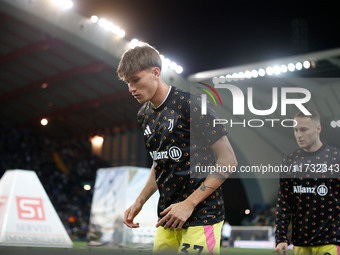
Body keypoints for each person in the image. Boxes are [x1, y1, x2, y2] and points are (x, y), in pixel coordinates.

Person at [117, 44, 238, 254]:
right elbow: (160, 163)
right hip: (167, 217)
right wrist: (139, 202)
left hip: (202, 216)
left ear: (156, 72)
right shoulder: (143, 115)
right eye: (128, 83)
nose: (131, 89)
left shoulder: (192, 105)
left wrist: (188, 204)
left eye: (135, 80)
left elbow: (228, 160)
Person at [275, 110, 340, 255]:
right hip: (300, 243)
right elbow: (283, 203)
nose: (298, 134)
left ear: (318, 128)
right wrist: (281, 238)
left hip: (330, 241)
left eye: (304, 129)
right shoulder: (289, 161)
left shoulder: (336, 158)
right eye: (295, 130)